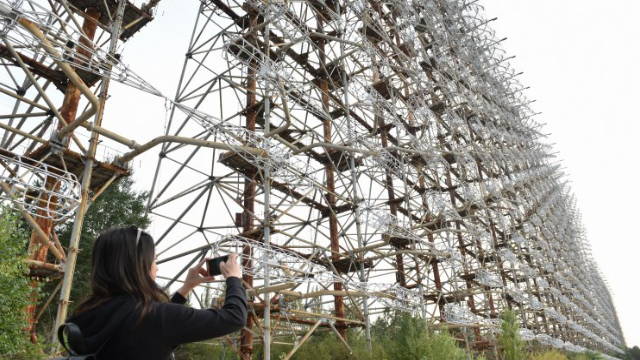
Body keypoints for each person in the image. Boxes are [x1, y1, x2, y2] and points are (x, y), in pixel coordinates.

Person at [65, 226, 247, 359]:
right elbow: (235, 317)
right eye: (154, 260)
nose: (157, 268)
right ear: (139, 266)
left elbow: (152, 332)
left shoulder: (86, 313)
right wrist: (234, 279)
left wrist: (185, 289)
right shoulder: (153, 317)